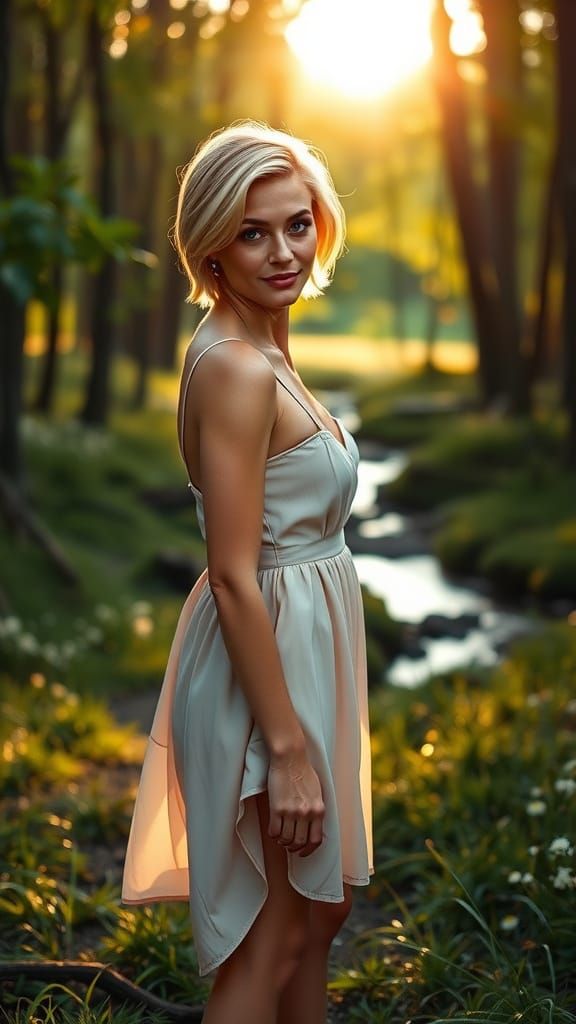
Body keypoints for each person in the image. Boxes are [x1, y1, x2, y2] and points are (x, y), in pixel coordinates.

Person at [121, 120, 373, 1024]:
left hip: (308, 655)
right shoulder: (234, 366)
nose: (283, 252)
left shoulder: (267, 341)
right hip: (263, 668)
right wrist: (290, 751)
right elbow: (232, 572)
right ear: (211, 245)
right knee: (267, 944)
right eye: (253, 231)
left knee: (319, 912)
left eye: (297, 224)